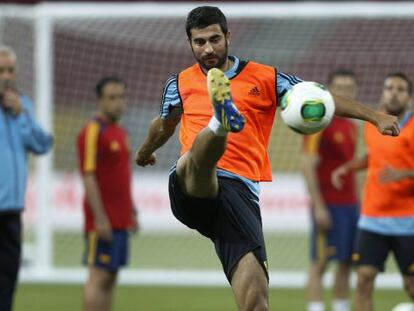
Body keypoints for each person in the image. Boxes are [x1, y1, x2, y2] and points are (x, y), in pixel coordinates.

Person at [135, 6, 399, 310]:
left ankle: (219, 122)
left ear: (228, 37)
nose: (208, 49)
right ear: (189, 43)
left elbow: (320, 97)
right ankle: (220, 122)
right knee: (196, 160)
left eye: (215, 39)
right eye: (199, 42)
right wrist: (144, 152)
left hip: (240, 193)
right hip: (191, 186)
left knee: (257, 302)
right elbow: (164, 124)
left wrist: (374, 116)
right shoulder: (178, 83)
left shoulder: (266, 77)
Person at [332, 72, 414, 311]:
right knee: (364, 279)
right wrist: (351, 166)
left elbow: (399, 164)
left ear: (408, 97)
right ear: (382, 93)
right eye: (389, 88)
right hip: (372, 219)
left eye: (400, 89)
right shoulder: (374, 125)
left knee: (411, 286)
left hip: (407, 221)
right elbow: (375, 157)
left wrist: (405, 173)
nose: (394, 93)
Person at [77, 76, 138, 311]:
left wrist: (131, 211)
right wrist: (100, 218)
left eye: (121, 97)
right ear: (100, 100)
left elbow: (122, 177)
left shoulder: (120, 132)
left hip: (120, 219)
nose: (118, 103)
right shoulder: (92, 131)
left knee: (111, 277)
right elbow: (88, 175)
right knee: (98, 276)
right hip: (102, 221)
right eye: (112, 98)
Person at [0, 45, 53, 311]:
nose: (7, 76)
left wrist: (22, 114)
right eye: (1, 70)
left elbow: (42, 144)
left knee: (7, 281)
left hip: (11, 212)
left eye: (10, 70)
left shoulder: (21, 106)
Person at [302, 70, 359, 311]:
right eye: (339, 88)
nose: (344, 93)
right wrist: (319, 206)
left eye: (348, 88)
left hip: (351, 205)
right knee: (320, 263)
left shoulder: (352, 125)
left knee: (346, 261)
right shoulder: (318, 122)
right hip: (328, 205)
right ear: (329, 91)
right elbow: (306, 165)